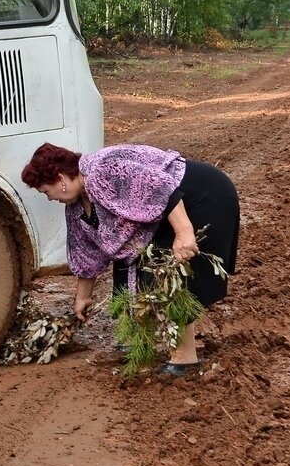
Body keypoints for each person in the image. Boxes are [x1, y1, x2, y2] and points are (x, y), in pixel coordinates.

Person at [21, 142, 239, 375]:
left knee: (173, 271)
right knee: (130, 261)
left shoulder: (101, 171)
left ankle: (184, 359)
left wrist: (184, 233)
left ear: (61, 179)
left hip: (200, 197)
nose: (49, 199)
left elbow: (163, 188)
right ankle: (137, 343)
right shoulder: (76, 208)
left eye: (46, 192)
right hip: (172, 206)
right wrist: (82, 298)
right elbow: (87, 253)